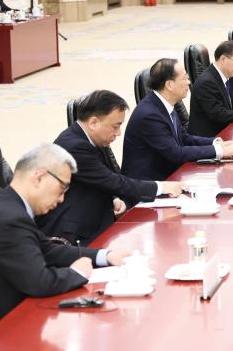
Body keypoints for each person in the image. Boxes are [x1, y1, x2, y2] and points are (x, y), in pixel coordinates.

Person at [0, 143, 127, 337]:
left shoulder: (8, 205)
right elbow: (39, 282)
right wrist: (78, 272)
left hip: (11, 317)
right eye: (62, 188)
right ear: (39, 177)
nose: (61, 199)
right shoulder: (9, 218)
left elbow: (48, 250)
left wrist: (105, 256)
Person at [37, 90, 185, 245]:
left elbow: (99, 178)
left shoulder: (87, 138)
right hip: (73, 233)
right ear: (93, 123)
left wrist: (114, 198)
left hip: (94, 214)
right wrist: (161, 187)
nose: (118, 133)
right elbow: (112, 181)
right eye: (116, 126)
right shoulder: (75, 147)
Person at [121, 58, 233, 181]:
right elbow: (175, 153)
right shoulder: (150, 115)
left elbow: (183, 138)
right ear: (169, 85)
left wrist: (216, 143)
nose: (189, 82)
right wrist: (220, 151)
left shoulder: (164, 104)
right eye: (185, 78)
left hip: (169, 174)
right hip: (148, 184)